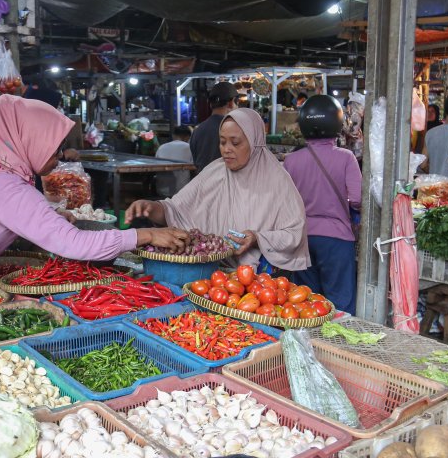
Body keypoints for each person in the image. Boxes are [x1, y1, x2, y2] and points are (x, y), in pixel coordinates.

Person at [0, 95, 188, 285]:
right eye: (55, 145)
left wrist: (50, 213)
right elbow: (74, 244)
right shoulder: (5, 186)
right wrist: (146, 235)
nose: (60, 155)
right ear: (26, 138)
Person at [126, 108, 311, 271]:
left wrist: (257, 238)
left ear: (255, 142)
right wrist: (151, 207)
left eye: (235, 143)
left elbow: (294, 233)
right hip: (213, 273)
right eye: (222, 142)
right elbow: (177, 210)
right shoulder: (216, 171)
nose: (227, 149)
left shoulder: (277, 180)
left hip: (257, 284)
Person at [283, 96, 361, 313]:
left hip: (301, 238)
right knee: (339, 305)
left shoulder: (291, 161)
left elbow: (284, 202)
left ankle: (310, 345)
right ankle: (336, 344)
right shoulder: (346, 158)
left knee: (306, 304)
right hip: (337, 240)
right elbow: (357, 199)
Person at [189, 81, 238, 172]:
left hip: (202, 183)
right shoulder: (235, 130)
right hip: (226, 184)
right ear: (231, 103)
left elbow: (195, 161)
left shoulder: (197, 130)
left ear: (211, 104)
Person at [155, 126, 193, 197]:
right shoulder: (189, 148)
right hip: (182, 191)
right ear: (188, 137)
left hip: (162, 190)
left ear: (173, 135)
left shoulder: (161, 147)